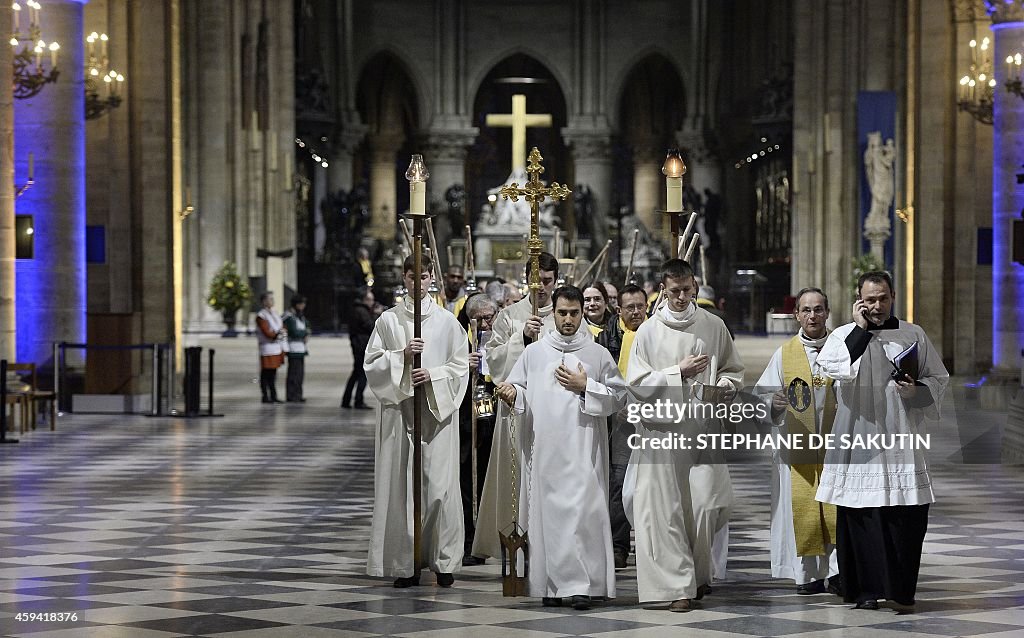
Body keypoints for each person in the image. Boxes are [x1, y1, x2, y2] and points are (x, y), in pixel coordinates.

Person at [816, 271, 948, 610]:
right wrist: (861, 331)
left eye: (883, 298)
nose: (877, 306)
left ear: (893, 296)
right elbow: (833, 368)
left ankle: (901, 590)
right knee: (862, 515)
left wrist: (917, 391)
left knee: (905, 516)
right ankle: (864, 591)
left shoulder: (912, 333)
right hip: (858, 435)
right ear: (858, 300)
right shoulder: (844, 335)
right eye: (870, 300)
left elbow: (938, 377)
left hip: (900, 435)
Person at [495, 286, 627, 610]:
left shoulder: (597, 354)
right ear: (552, 313)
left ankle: (582, 585)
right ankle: (551, 585)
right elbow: (522, 390)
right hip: (546, 448)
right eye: (562, 313)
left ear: (583, 313)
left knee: (583, 513)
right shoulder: (535, 353)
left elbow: (620, 397)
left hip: (585, 449)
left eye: (574, 313)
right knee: (549, 517)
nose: (568, 320)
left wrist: (587, 387)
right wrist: (513, 394)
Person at [625, 258, 744, 612]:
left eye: (686, 290)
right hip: (661, 431)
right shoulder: (647, 331)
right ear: (663, 289)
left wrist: (725, 386)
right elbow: (637, 385)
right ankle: (677, 586)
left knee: (707, 503)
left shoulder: (713, 325)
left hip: (703, 427)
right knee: (667, 510)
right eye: (673, 291)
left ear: (694, 287)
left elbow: (732, 369)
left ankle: (699, 573)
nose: (680, 297)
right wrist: (678, 371)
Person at [364, 255, 469, 588]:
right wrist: (402, 358)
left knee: (439, 488)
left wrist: (433, 374)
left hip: (436, 415)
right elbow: (372, 364)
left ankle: (443, 560)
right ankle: (406, 562)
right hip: (401, 415)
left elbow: (460, 366)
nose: (418, 283)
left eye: (424, 277)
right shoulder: (388, 322)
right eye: (412, 277)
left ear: (431, 278)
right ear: (404, 278)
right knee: (403, 489)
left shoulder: (446, 322)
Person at [473, 252, 562, 560]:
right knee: (515, 478)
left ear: (556, 281)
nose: (542, 289)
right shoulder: (510, 315)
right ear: (526, 280)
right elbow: (493, 360)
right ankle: (512, 539)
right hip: (515, 409)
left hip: (553, 411)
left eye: (548, 282)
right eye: (536, 281)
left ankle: (548, 541)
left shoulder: (564, 314)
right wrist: (522, 338)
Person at [753, 287, 840, 595]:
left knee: (837, 508)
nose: (813, 315)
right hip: (797, 448)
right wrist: (772, 404)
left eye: (818, 309)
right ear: (796, 315)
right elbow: (760, 398)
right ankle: (808, 575)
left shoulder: (842, 349)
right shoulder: (784, 354)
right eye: (806, 310)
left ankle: (838, 572)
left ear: (827, 313)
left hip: (836, 449)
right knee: (802, 508)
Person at [596, 283, 648, 569]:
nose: (637, 312)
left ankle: (650, 544)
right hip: (620, 422)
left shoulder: (654, 334)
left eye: (641, 306)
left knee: (651, 483)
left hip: (652, 419)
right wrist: (616, 406)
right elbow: (601, 377)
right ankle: (619, 546)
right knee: (618, 482)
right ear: (619, 310)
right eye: (631, 307)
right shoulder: (606, 339)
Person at [459, 292, 498, 566]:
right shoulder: (461, 340)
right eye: (479, 319)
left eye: (489, 318)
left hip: (491, 409)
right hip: (465, 414)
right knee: (466, 476)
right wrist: (465, 365)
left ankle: (485, 539)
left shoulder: (500, 337)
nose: (485, 324)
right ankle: (468, 538)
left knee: (485, 474)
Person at [342, 287, 377, 409]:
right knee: (362, 373)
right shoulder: (361, 311)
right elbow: (370, 326)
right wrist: (376, 315)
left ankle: (346, 400)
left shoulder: (357, 309)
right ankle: (358, 400)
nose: (372, 302)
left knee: (356, 373)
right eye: (370, 300)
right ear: (365, 300)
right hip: (361, 346)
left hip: (358, 344)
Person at [255, 291, 286, 404]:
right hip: (267, 347)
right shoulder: (261, 316)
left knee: (273, 373)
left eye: (273, 299)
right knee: (266, 373)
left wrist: (281, 332)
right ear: (264, 301)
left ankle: (274, 395)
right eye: (270, 299)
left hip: (276, 347)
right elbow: (266, 331)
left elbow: (282, 326)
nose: (272, 301)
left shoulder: (275, 313)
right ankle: (265, 395)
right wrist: (276, 334)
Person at [283, 294, 311, 402]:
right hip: (293, 348)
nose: (303, 306)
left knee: (300, 374)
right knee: (293, 374)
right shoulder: (289, 316)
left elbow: (308, 326)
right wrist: (304, 333)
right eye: (301, 304)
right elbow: (294, 332)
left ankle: (298, 394)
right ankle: (291, 395)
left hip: (301, 348)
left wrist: (306, 332)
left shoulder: (301, 316)